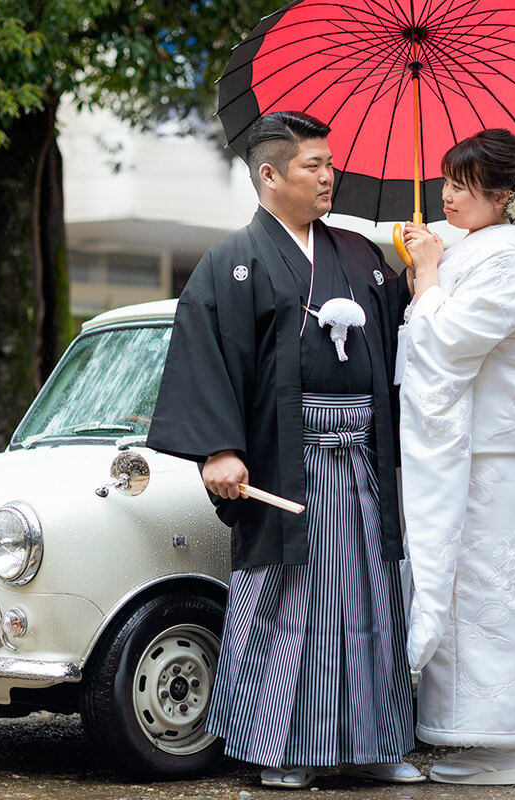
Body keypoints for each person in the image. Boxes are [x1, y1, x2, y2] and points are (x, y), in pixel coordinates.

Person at [146, 110, 422, 789]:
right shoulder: (231, 264)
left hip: (361, 460)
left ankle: (376, 742)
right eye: (314, 165)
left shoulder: (362, 257)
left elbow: (407, 349)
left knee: (370, 602)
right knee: (289, 603)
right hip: (282, 465)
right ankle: (284, 747)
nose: (330, 176)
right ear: (269, 175)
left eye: (330, 164)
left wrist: (422, 279)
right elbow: (206, 359)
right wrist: (219, 449)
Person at [398, 128, 515, 785]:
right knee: (472, 590)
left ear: (504, 197)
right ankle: (478, 739)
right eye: (446, 181)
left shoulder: (504, 268)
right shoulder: (486, 261)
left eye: (462, 187)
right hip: (486, 454)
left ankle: (500, 746)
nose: (446, 196)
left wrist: (425, 274)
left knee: (493, 594)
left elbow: (446, 343)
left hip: (495, 460)